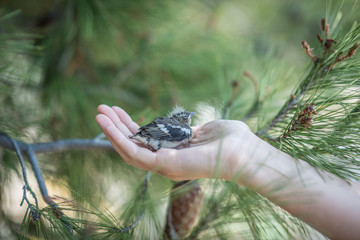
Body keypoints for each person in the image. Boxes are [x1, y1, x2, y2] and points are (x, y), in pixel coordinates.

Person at [95, 104, 360, 240]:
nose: (186, 124)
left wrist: (244, 152)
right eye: (184, 119)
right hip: (150, 137)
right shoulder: (181, 131)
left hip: (148, 136)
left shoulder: (181, 130)